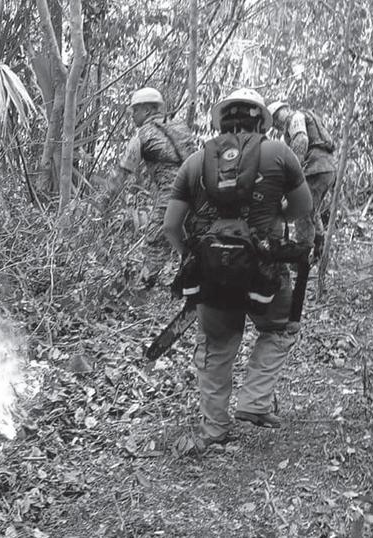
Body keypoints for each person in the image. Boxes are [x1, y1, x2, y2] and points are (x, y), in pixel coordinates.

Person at [163, 88, 313, 446]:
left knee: (216, 347)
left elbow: (170, 226)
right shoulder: (280, 154)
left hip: (213, 274)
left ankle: (215, 428)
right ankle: (254, 402)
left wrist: (191, 256)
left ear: (221, 122)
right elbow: (303, 207)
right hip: (266, 271)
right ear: (261, 122)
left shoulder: (196, 161)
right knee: (280, 329)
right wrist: (276, 215)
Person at [114, 87, 195, 289]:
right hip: (200, 191)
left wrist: (106, 199)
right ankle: (193, 277)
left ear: (148, 110)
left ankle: (144, 286)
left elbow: (123, 172)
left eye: (135, 110)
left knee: (155, 240)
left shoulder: (141, 136)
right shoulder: (181, 127)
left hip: (173, 194)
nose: (132, 115)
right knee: (194, 236)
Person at [267, 101, 337, 261]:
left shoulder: (295, 117)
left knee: (302, 210)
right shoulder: (296, 122)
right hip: (326, 168)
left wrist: (293, 171)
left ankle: (303, 256)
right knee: (312, 209)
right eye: (274, 121)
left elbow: (301, 140)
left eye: (277, 116)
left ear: (286, 109)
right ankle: (318, 252)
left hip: (316, 168)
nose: (277, 122)